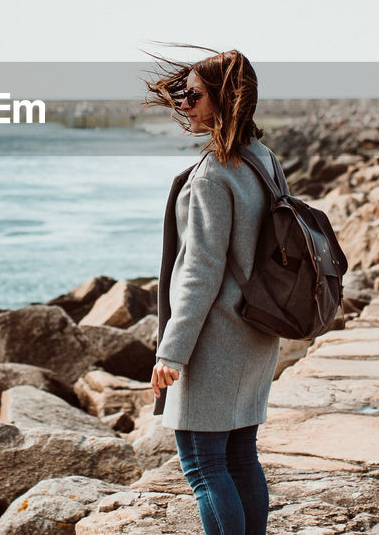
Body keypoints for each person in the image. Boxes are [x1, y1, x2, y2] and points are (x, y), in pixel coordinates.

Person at [141, 45, 282, 535]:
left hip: (216, 341)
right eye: (181, 94)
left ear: (223, 98)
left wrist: (172, 353)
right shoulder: (263, 159)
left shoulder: (212, 175)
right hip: (259, 328)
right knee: (240, 457)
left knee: (204, 467)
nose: (184, 103)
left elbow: (200, 271)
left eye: (194, 94)